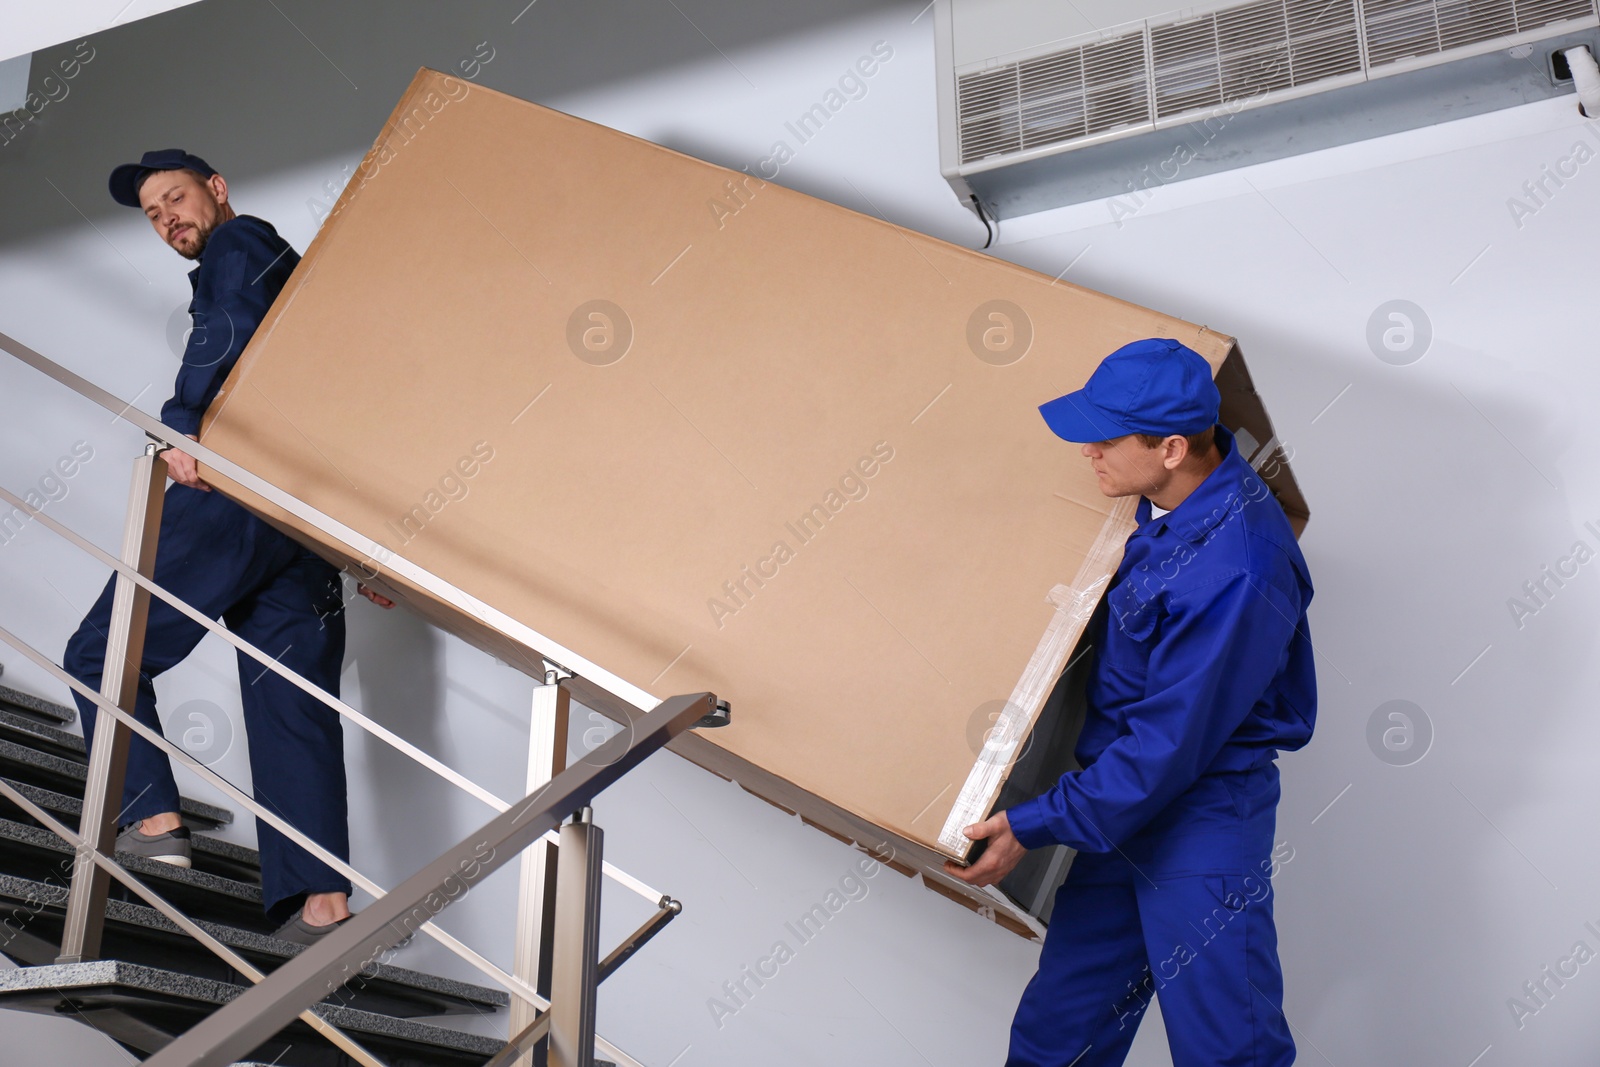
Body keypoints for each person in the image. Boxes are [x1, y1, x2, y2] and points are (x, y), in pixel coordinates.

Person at [947, 338, 1316, 1067]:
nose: (1088, 451)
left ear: (1174, 447)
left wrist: (1034, 819)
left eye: (1105, 437)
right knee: (1059, 1034)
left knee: (1226, 1051)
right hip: (1119, 809)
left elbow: (1167, 747)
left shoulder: (1238, 566)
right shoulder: (1163, 508)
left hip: (1199, 822)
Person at [63, 149, 391, 946]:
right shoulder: (295, 277)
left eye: (175, 196)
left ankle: (155, 822)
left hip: (236, 495)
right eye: (152, 213)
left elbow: (224, 327)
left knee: (101, 653)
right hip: (302, 517)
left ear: (216, 190)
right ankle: (321, 909)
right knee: (290, 704)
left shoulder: (241, 246)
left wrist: (181, 421)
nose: (168, 217)